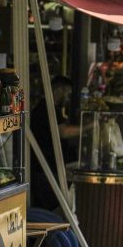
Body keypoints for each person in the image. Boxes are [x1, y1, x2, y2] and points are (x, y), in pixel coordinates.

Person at [29, 75, 79, 211]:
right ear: (60, 89)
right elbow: (64, 132)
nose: (68, 98)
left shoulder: (48, 108)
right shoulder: (47, 108)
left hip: (47, 168)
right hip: (44, 170)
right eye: (67, 93)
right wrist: (90, 127)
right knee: (51, 210)